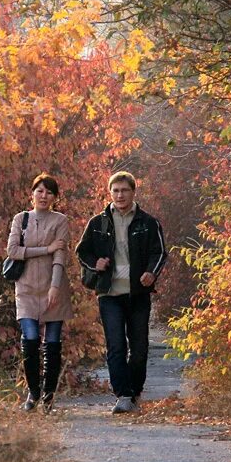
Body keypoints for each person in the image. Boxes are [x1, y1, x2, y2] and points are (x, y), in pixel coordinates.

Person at [76, 171, 166, 414]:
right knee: (115, 345)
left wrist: (151, 272)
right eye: (115, 190)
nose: (120, 195)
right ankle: (122, 395)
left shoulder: (148, 222)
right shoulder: (98, 223)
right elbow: (82, 252)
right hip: (109, 293)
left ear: (133, 192)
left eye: (124, 190)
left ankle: (135, 391)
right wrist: (96, 264)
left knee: (139, 348)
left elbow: (160, 253)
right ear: (110, 193)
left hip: (138, 293)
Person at [6, 173, 72, 413]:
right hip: (25, 288)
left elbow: (60, 256)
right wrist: (46, 248)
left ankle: (49, 396)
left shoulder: (60, 220)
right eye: (40, 191)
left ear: (55, 197)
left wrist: (54, 286)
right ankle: (33, 392)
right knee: (30, 339)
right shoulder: (20, 219)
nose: (44, 196)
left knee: (52, 343)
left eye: (49, 192)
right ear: (32, 193)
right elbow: (13, 251)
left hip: (53, 285)